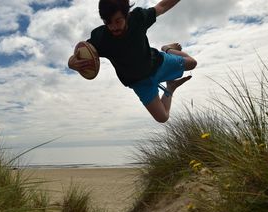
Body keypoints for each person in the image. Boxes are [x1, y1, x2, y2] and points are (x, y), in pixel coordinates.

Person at [68, 0, 197, 123]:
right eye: (108, 22)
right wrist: (71, 63)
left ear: (126, 15)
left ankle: (167, 49)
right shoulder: (100, 38)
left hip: (157, 63)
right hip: (139, 83)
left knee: (192, 63)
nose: (113, 27)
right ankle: (171, 87)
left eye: (118, 21)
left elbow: (162, 7)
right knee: (162, 118)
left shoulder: (138, 18)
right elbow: (77, 56)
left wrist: (167, 50)